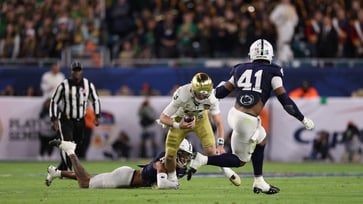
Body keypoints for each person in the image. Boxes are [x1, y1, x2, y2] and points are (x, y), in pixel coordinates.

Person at [187, 39, 315, 194]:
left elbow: (221, 92)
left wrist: (202, 102)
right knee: (239, 161)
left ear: (251, 54)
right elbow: (285, 101)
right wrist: (302, 118)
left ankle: (259, 180)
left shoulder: (240, 69)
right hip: (247, 119)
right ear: (270, 55)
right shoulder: (273, 71)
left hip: (235, 115)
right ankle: (202, 160)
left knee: (262, 137)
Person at [158, 72, 241, 186]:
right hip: (181, 118)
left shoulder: (211, 98)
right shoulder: (182, 94)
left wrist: (220, 145)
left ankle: (226, 170)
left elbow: (219, 123)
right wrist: (178, 125)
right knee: (170, 155)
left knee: (211, 151)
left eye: (205, 95)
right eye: (200, 94)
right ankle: (173, 180)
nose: (203, 97)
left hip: (201, 119)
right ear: (193, 89)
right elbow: (163, 117)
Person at [45, 138, 193, 189]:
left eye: (187, 156)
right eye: (184, 155)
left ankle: (57, 173)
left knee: (90, 178)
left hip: (127, 176)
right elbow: (161, 179)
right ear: (177, 153)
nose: (185, 159)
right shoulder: (164, 162)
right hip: (124, 178)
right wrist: (170, 183)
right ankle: (71, 150)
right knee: (85, 183)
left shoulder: (180, 169)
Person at [48, 61, 101, 173]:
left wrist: (97, 115)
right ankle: (67, 170)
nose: (77, 73)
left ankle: (60, 169)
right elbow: (54, 101)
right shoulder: (64, 85)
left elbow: (95, 99)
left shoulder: (88, 84)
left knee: (75, 145)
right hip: (66, 119)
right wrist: (53, 119)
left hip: (80, 120)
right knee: (67, 143)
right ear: (71, 71)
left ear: (81, 71)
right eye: (75, 70)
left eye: (78, 70)